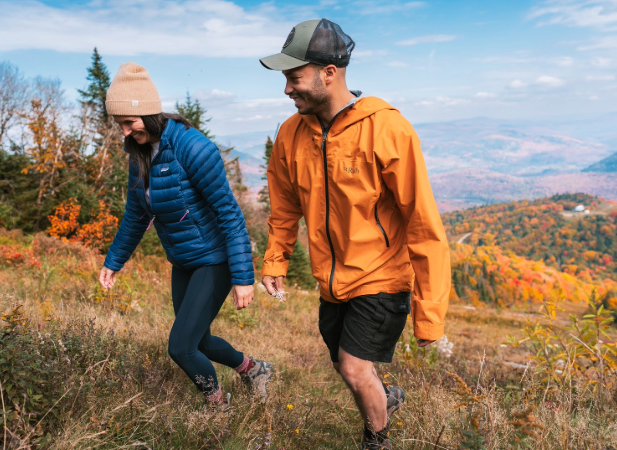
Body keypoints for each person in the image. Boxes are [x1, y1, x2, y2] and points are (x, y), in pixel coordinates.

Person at [258, 19, 451, 449]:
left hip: (382, 277)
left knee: (352, 368)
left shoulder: (387, 129)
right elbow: (285, 206)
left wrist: (429, 316)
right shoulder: (290, 135)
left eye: (294, 77)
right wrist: (275, 260)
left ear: (329, 73)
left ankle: (377, 440)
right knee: (342, 362)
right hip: (331, 282)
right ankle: (385, 398)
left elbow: (424, 225)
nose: (287, 89)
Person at [99, 62, 273, 406]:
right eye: (119, 124)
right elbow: (136, 215)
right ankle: (254, 369)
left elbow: (230, 214)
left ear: (147, 114)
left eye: (129, 122)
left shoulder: (193, 148)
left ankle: (217, 406)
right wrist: (114, 262)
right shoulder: (139, 156)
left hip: (215, 260)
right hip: (183, 261)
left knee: (180, 346)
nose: (124, 132)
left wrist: (242, 277)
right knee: (199, 341)